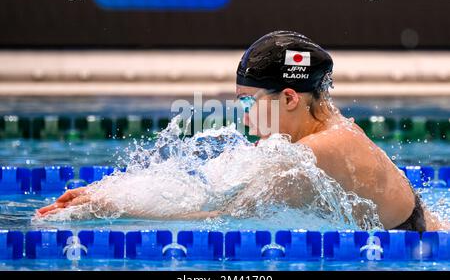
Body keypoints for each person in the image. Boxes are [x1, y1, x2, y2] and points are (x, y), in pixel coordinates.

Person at [37, 31, 443, 231]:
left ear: (289, 98)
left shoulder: (317, 152)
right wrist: (112, 190)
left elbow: (223, 218)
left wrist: (113, 209)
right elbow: (210, 186)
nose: (244, 117)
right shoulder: (325, 131)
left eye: (248, 102)